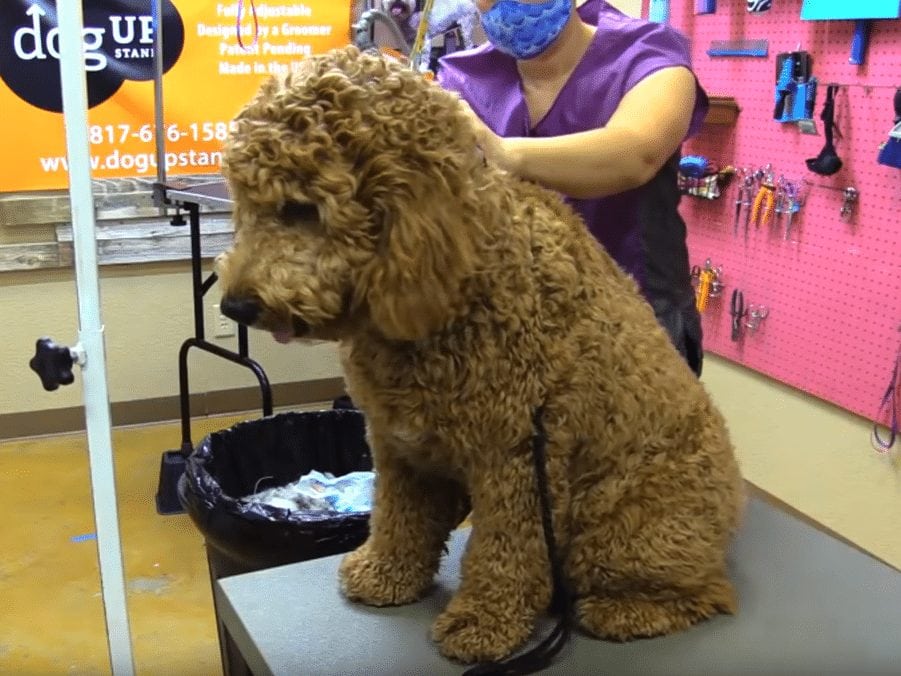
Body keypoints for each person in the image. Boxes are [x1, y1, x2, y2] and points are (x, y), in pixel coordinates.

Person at [436, 0, 709, 376]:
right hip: (508, 325)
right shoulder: (462, 78)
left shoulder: (648, 56)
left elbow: (636, 154)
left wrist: (504, 154)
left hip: (636, 320)